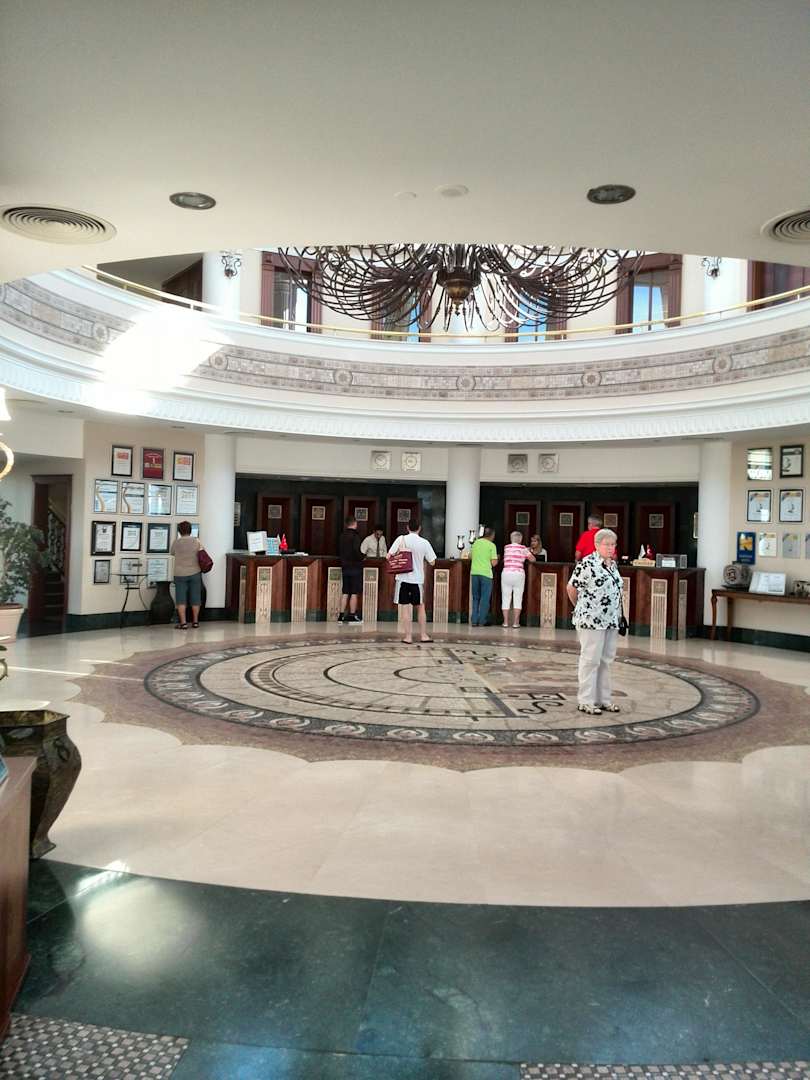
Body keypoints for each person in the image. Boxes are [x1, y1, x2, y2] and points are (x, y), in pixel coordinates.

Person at [566, 528, 623, 716]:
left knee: (606, 660)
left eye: (613, 544)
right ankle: (586, 701)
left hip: (610, 620)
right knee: (590, 660)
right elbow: (571, 588)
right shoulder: (587, 564)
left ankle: (603, 700)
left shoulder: (613, 565)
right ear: (597, 545)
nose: (610, 548)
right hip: (591, 620)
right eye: (607, 544)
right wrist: (580, 607)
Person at [388, 519, 436, 644]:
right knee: (420, 607)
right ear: (419, 528)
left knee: (405, 608)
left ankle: (408, 637)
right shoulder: (424, 542)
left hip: (402, 579)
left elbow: (388, 556)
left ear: (407, 527)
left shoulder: (401, 539)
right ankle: (423, 635)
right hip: (417, 580)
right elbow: (432, 562)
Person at [170, 521, 202, 629]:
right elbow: (202, 552)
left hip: (180, 574)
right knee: (195, 598)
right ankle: (195, 621)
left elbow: (172, 552)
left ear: (179, 531)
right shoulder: (196, 541)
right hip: (195, 572)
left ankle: (183, 623)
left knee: (181, 599)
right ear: (190, 530)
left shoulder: (176, 542)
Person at [501, 531, 536, 628]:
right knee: (518, 598)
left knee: (505, 598)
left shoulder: (506, 547)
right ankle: (516, 623)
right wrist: (527, 551)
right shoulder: (523, 548)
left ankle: (505, 622)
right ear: (520, 540)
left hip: (506, 573)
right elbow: (533, 559)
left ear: (511, 539)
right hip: (518, 574)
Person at [469, 527, 498, 626]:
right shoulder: (491, 545)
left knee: (475, 597)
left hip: (474, 573)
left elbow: (470, 556)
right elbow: (494, 563)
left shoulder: (476, 543)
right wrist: (497, 558)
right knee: (484, 598)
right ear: (492, 535)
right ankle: (482, 620)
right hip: (486, 574)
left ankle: (474, 620)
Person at [338, 515, 363, 623]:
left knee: (345, 592)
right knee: (354, 592)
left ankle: (341, 615)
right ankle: (352, 615)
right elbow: (357, 551)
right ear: (355, 523)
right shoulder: (355, 536)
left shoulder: (342, 536)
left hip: (345, 566)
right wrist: (362, 557)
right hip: (355, 567)